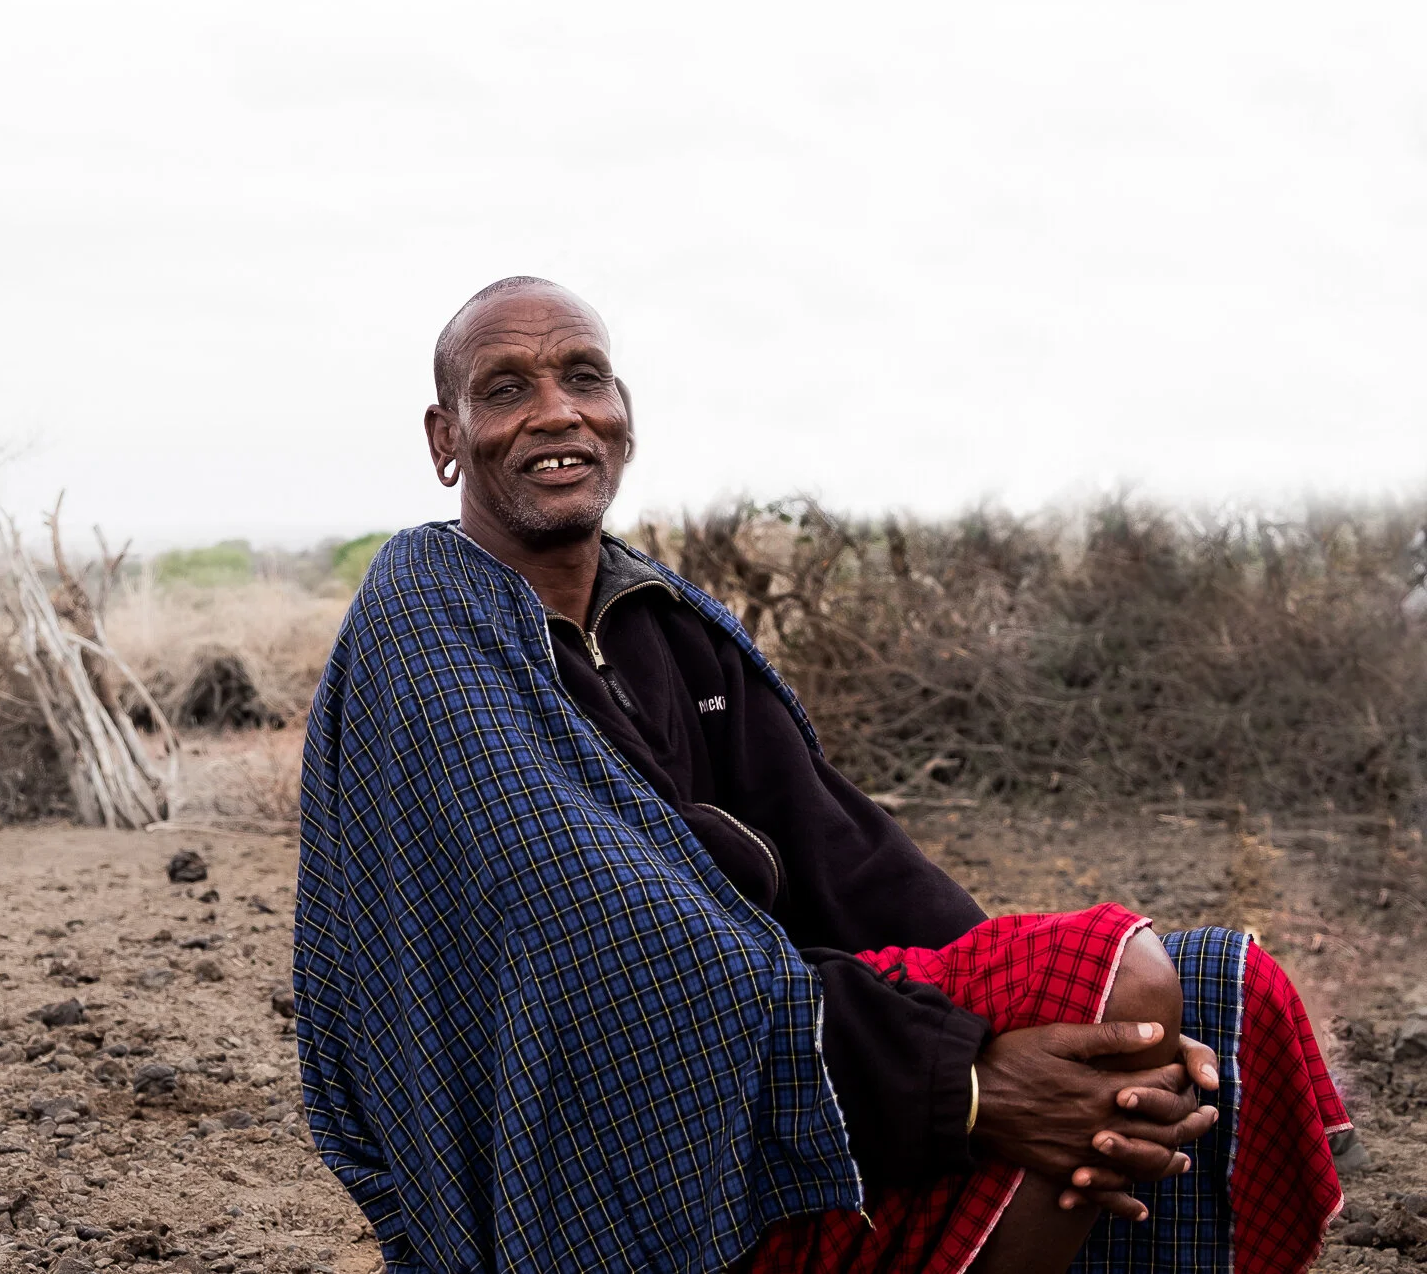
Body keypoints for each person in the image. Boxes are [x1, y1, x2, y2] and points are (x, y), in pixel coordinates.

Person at [293, 277, 1350, 1274]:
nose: (556, 412)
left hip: (776, 1021)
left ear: (623, 411)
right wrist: (961, 1086)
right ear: (445, 440)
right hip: (607, 1130)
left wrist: (1021, 1037)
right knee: (1119, 978)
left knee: (1213, 999)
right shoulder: (428, 630)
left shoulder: (661, 617)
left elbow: (845, 855)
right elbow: (622, 954)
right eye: (505, 388)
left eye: (583, 376)